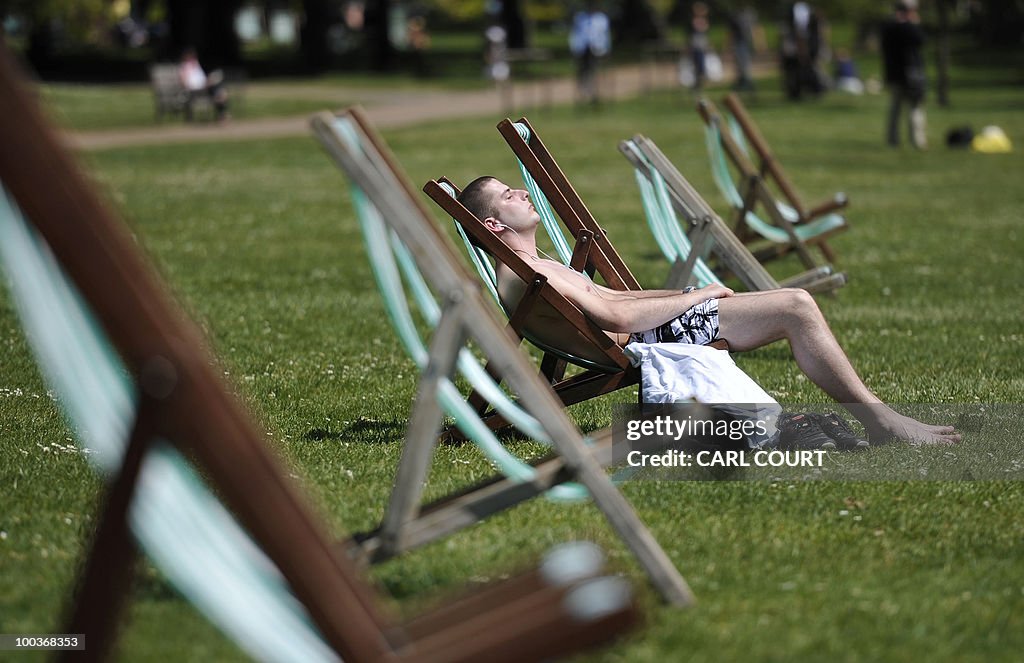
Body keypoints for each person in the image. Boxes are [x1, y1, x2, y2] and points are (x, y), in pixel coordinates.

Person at [455, 176, 961, 446]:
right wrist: (696, 298)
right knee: (798, 306)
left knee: (789, 307)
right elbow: (621, 321)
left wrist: (690, 293)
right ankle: (882, 421)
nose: (522, 193)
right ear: (495, 226)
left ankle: (877, 419)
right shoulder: (533, 274)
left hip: (646, 330)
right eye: (508, 195)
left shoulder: (535, 265)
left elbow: (613, 302)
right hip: (646, 341)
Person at [881, 1, 927, 148]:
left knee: (896, 107)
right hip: (910, 72)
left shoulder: (888, 27)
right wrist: (913, 24)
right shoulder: (907, 27)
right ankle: (917, 141)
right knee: (914, 107)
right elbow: (920, 40)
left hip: (895, 73)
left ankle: (892, 139)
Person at [569, 0, 611, 106]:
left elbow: (605, 35)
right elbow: (575, 33)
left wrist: (606, 48)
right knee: (582, 70)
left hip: (597, 49)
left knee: (595, 70)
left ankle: (596, 93)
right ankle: (583, 93)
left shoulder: (601, 19)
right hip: (583, 48)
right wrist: (574, 47)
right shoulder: (580, 17)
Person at [178, 47, 229, 122]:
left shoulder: (196, 65)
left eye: (193, 56)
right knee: (218, 91)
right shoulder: (184, 67)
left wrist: (207, 81)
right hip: (195, 89)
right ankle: (222, 113)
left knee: (217, 85)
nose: (193, 58)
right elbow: (184, 82)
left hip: (204, 87)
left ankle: (222, 111)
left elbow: (202, 78)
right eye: (191, 56)